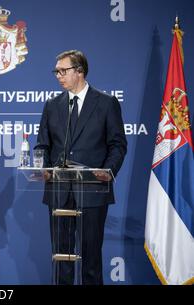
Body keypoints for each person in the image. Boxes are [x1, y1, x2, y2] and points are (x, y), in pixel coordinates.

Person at [36, 50, 127, 284]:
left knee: (91, 259)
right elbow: (42, 145)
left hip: (93, 191)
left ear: (80, 71)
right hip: (59, 192)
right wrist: (43, 168)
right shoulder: (52, 105)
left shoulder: (106, 103)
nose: (58, 75)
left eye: (63, 71)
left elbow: (117, 144)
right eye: (56, 71)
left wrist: (108, 171)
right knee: (62, 259)